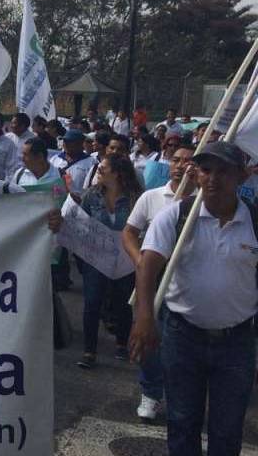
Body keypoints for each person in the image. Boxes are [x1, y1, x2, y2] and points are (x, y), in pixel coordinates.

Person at [130, 142, 258, 456]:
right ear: (196, 174)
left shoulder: (255, 221)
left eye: (223, 171)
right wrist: (145, 318)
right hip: (183, 336)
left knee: (227, 428)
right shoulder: (176, 216)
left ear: (241, 176)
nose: (212, 178)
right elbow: (147, 266)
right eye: (205, 170)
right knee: (182, 421)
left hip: (237, 341)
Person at [121, 146, 195, 421]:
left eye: (187, 161)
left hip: (188, 286)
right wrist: (140, 260)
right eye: (176, 160)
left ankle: (181, 397)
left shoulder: (203, 202)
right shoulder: (151, 197)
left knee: (181, 345)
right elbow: (129, 232)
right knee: (148, 337)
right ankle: (151, 392)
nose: (181, 166)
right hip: (153, 281)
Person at [75, 154, 142, 370]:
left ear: (118, 174)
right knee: (92, 303)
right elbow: (80, 221)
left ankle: (122, 344)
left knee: (123, 303)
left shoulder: (135, 198)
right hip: (96, 258)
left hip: (125, 260)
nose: (98, 172)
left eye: (103, 169)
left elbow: (142, 226)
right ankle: (89, 351)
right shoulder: (91, 195)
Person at [51, 130, 95, 199]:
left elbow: (93, 187)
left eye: (69, 142)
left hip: (79, 201)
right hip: (57, 199)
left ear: (80, 144)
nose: (65, 144)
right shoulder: (55, 159)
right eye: (65, 141)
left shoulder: (91, 161)